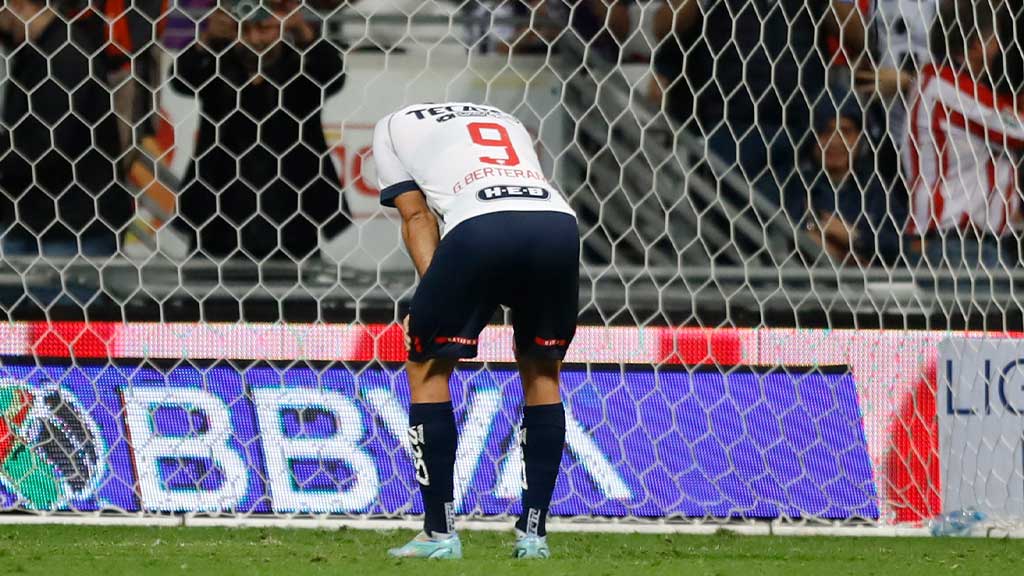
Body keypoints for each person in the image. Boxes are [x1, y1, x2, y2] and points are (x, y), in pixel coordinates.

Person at [373, 102, 579, 559]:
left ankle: (439, 533)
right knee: (544, 373)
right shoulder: (504, 117)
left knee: (427, 368)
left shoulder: (391, 125)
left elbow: (418, 218)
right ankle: (533, 536)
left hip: (480, 224)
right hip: (557, 224)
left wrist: (431, 297)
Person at [170, 0, 348, 262]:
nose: (255, 39)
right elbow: (180, 80)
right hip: (220, 214)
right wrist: (206, 38)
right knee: (212, 297)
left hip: (290, 213)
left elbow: (333, 76)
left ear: (280, 28)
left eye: (264, 29)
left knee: (292, 296)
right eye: (246, 30)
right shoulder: (219, 67)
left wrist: (303, 32)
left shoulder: (300, 69)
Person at [0, 0, 129, 258]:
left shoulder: (65, 55)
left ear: (18, 5)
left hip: (70, 231)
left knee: (61, 298)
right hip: (41, 223)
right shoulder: (37, 52)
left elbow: (42, 146)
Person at [906, 0, 1024, 269]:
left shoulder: (953, 86)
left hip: (973, 245)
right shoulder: (943, 84)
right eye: (994, 39)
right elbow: (1015, 130)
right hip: (957, 248)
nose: (1000, 47)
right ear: (975, 45)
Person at [784, 96, 901, 266]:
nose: (835, 142)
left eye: (845, 131)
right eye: (826, 131)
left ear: (860, 139)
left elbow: (900, 247)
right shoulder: (794, 188)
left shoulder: (877, 191)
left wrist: (853, 237)